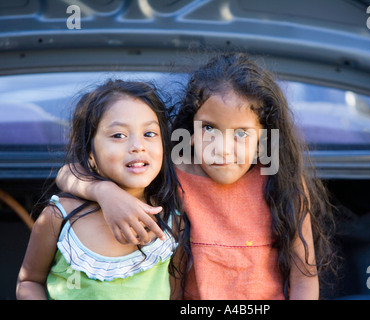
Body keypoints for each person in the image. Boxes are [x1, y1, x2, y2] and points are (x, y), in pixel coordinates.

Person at [55, 53, 337, 299]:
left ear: (264, 138)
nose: (222, 148)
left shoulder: (280, 181)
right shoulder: (175, 174)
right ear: (190, 132)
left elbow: (304, 277)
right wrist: (105, 193)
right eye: (209, 129)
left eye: (241, 133)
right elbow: (67, 174)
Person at [16, 80, 181, 300]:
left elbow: (176, 293)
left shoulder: (172, 219)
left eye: (149, 134)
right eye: (118, 135)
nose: (138, 145)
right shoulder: (59, 217)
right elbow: (29, 281)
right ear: (90, 155)